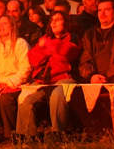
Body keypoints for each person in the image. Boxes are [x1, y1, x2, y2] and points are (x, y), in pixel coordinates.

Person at [17, 11, 80, 139]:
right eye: (52, 20)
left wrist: (45, 47)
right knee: (26, 99)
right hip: (44, 81)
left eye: (58, 19)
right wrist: (50, 49)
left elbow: (65, 54)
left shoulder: (72, 37)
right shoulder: (45, 39)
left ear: (65, 22)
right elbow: (33, 58)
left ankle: (59, 133)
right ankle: (26, 136)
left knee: (57, 94)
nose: (54, 22)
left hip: (64, 79)